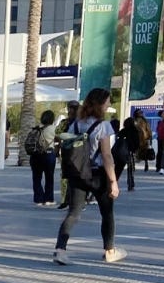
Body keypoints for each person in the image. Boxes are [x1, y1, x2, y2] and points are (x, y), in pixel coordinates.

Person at [53, 87, 125, 265]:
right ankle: (110, 251)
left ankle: (60, 249)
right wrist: (113, 181)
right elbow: (107, 156)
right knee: (107, 213)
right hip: (98, 174)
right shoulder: (103, 126)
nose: (109, 104)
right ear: (100, 104)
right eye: (107, 101)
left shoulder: (75, 124)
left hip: (78, 173)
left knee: (73, 213)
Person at [30, 110, 58, 205]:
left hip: (35, 155)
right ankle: (48, 199)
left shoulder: (36, 128)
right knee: (49, 177)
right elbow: (59, 138)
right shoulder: (53, 129)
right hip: (48, 154)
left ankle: (38, 199)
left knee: (36, 178)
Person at [57, 99, 81, 207]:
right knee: (73, 176)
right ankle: (72, 200)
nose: (70, 110)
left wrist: (57, 147)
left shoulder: (66, 122)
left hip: (69, 151)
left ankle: (67, 200)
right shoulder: (82, 122)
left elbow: (57, 135)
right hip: (76, 152)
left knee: (67, 176)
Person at [117, 115, 140, 190]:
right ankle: (130, 184)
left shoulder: (123, 131)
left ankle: (114, 182)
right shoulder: (135, 131)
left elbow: (118, 139)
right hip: (130, 152)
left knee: (118, 169)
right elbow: (137, 143)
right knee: (130, 169)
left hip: (122, 152)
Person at [156, 109, 164, 174]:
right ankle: (160, 167)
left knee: (163, 153)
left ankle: (161, 168)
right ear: (161, 115)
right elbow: (158, 131)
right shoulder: (161, 122)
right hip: (162, 140)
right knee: (162, 153)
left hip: (162, 139)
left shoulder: (161, 122)